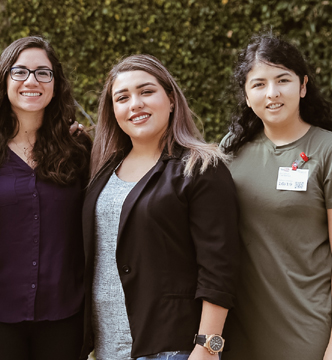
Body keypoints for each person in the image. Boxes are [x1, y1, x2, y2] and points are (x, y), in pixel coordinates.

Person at [81, 54, 240, 360]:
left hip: (173, 349)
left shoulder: (201, 167)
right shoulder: (102, 170)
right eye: (122, 97)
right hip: (108, 349)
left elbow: (220, 266)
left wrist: (207, 346)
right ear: (113, 111)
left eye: (146, 91)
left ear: (170, 99)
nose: (135, 104)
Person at [221, 33, 332, 360]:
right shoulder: (231, 148)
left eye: (282, 80)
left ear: (302, 86)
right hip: (237, 333)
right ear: (245, 94)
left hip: (305, 333)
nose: (271, 93)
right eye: (258, 84)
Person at [0, 36, 91, 360]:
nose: (31, 81)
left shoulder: (79, 150)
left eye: (42, 73)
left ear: (55, 83)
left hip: (65, 314)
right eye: (19, 72)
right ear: (4, 79)